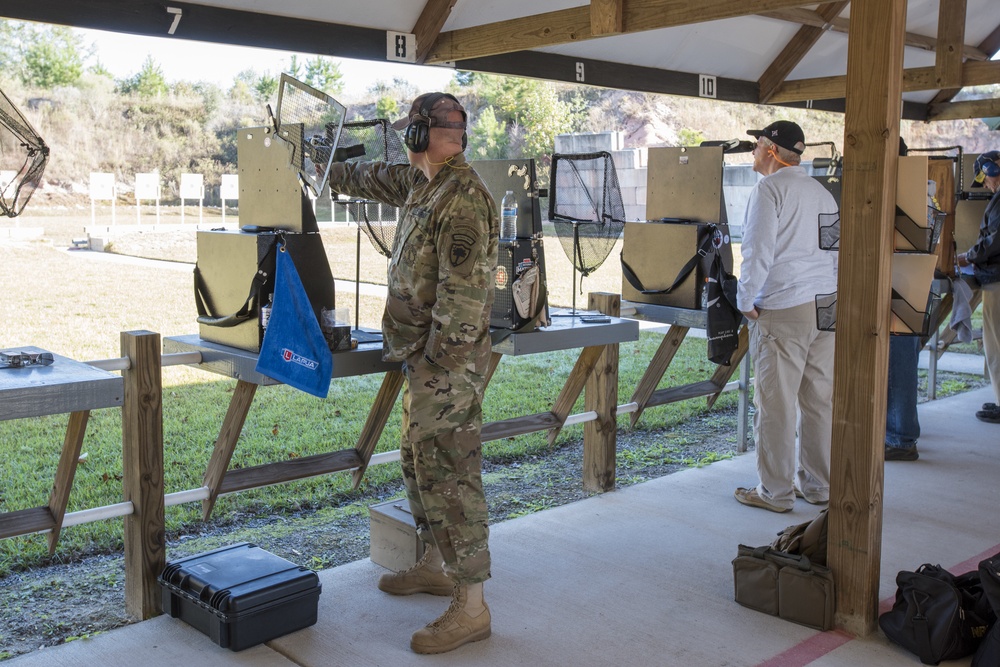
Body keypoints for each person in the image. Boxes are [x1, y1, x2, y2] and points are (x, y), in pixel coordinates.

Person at [327, 92, 497, 653]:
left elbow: (465, 300)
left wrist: (434, 366)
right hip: (421, 362)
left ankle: (471, 605)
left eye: (409, 133)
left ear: (424, 134)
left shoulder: (464, 198)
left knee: (450, 474)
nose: (405, 142)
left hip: (444, 367)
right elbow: (374, 178)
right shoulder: (425, 183)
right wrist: (321, 164)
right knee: (419, 464)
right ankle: (435, 564)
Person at [734, 120, 839, 513]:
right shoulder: (823, 193)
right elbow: (835, 252)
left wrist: (746, 300)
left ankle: (774, 492)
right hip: (825, 305)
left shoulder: (769, 189)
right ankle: (817, 485)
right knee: (818, 401)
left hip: (784, 305)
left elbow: (757, 251)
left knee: (776, 403)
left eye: (757, 145)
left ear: (773, 150)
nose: (754, 152)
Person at [885, 137, 922, 461]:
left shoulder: (902, 181)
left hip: (902, 281)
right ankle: (898, 432)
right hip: (908, 279)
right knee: (900, 361)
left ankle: (900, 437)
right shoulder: (908, 179)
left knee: (899, 364)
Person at [957, 150, 1000, 424]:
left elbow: (995, 240)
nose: (986, 184)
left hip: (997, 280)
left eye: (986, 178)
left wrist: (968, 256)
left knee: (996, 345)